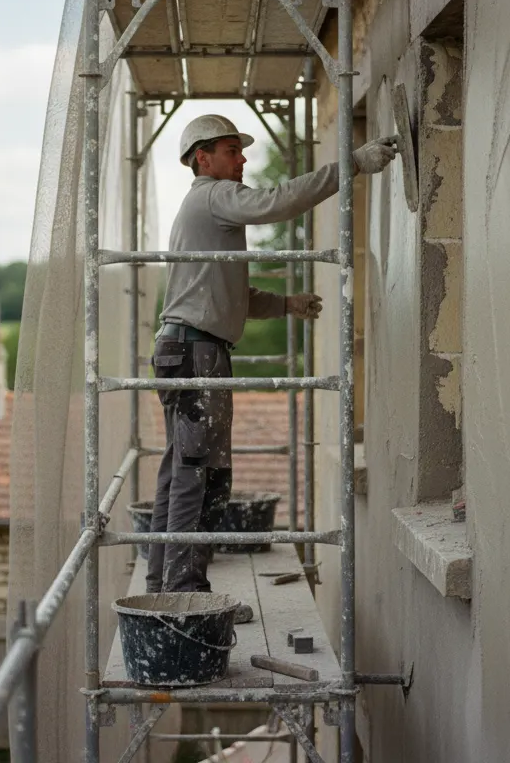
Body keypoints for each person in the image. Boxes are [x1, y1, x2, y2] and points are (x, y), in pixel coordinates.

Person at [146, 113, 396, 596]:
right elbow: (277, 202)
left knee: (182, 471)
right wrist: (353, 165)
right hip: (196, 353)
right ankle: (184, 595)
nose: (241, 159)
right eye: (231, 151)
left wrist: (284, 304)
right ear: (203, 157)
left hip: (188, 348)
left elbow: (226, 292)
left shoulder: (202, 207)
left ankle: (164, 585)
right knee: (200, 476)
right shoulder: (214, 196)